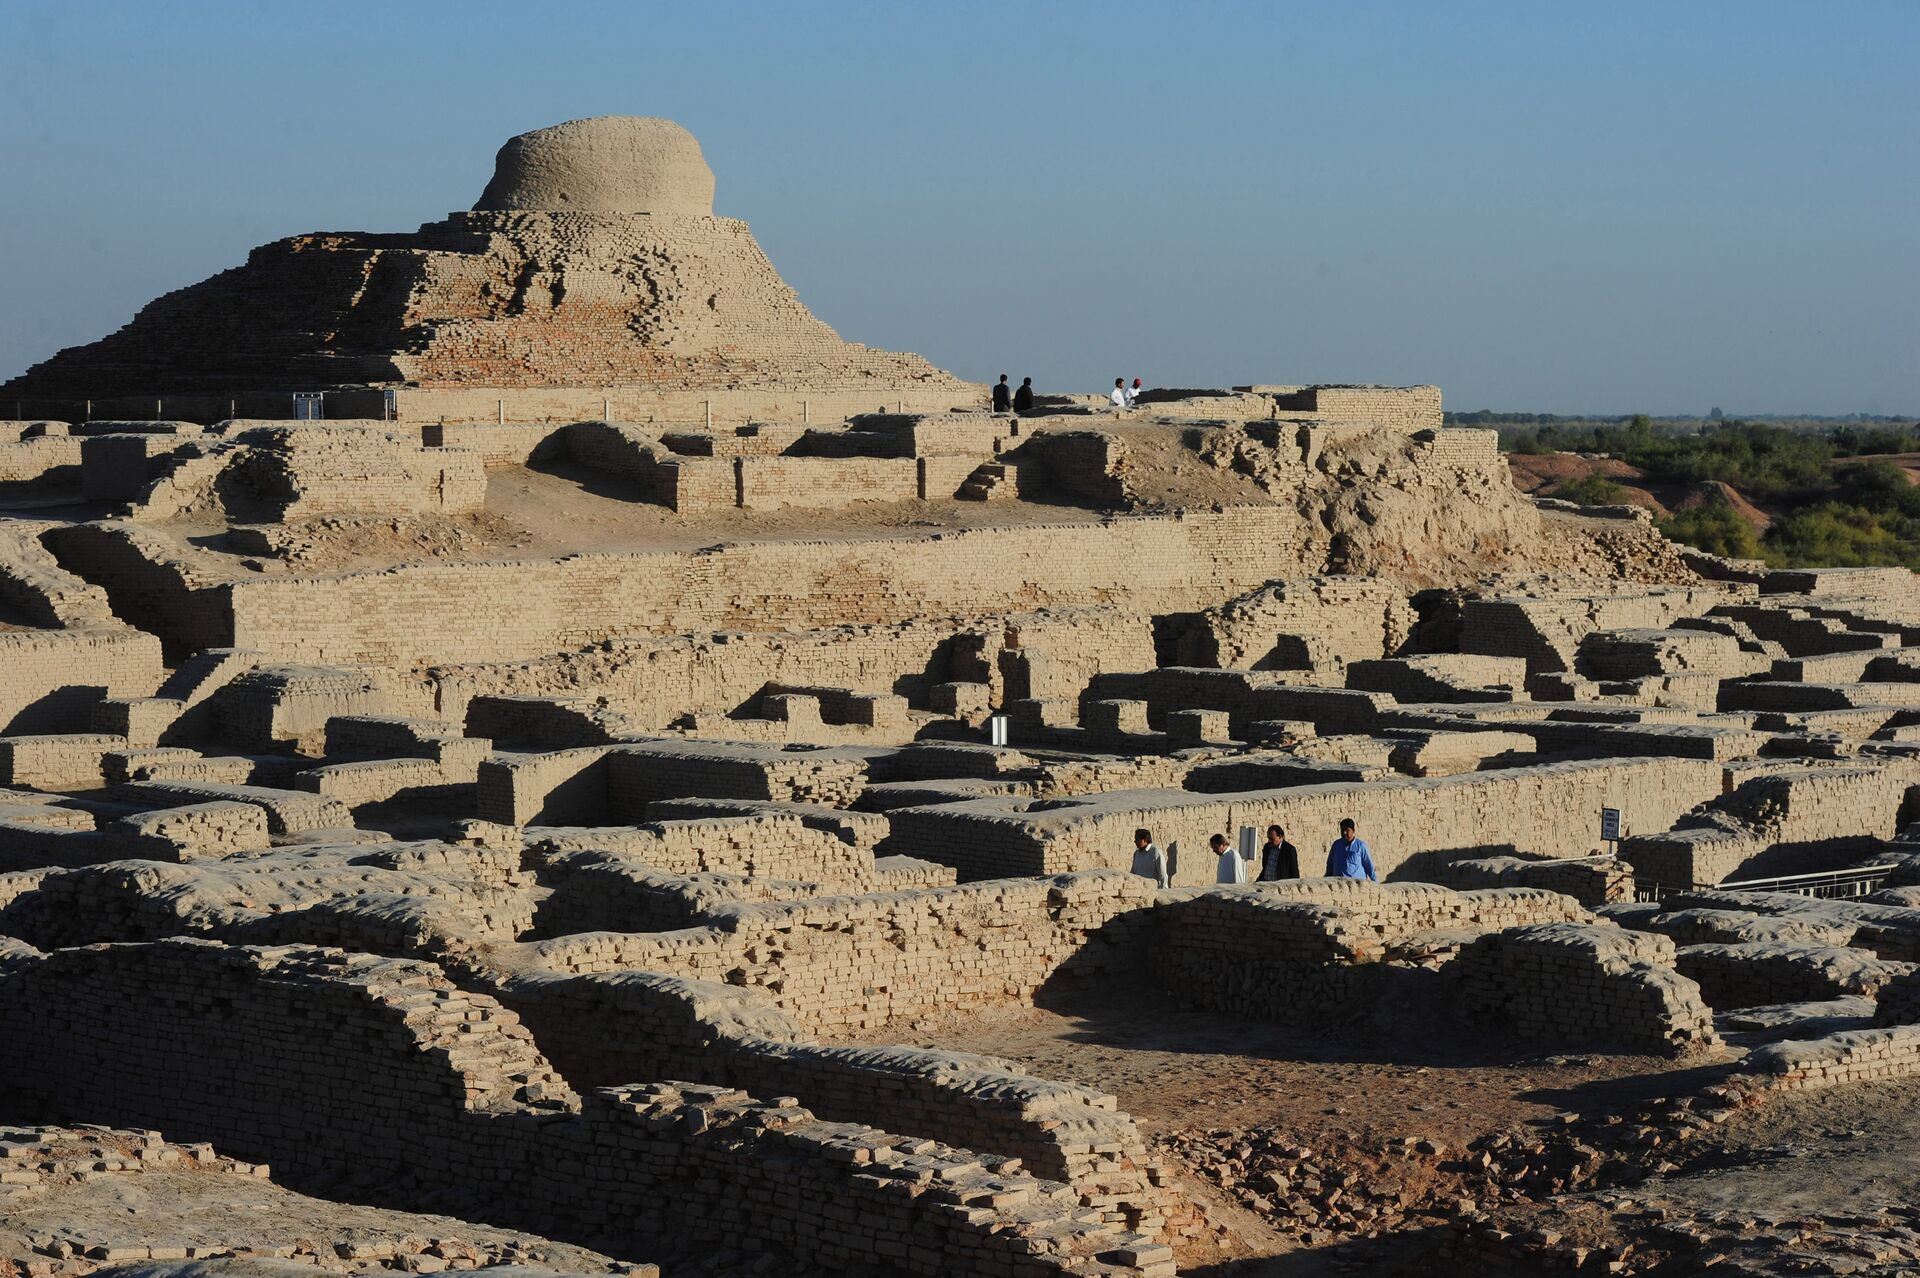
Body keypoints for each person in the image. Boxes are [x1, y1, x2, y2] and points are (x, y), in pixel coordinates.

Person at [1325, 817, 1378, 881]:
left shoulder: (1361, 846)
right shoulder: (1336, 845)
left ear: (1353, 831)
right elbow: (1330, 864)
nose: (1344, 833)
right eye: (1342, 830)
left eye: (1347, 830)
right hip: (1339, 885)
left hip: (1356, 886)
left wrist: (1376, 884)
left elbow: (1369, 866)